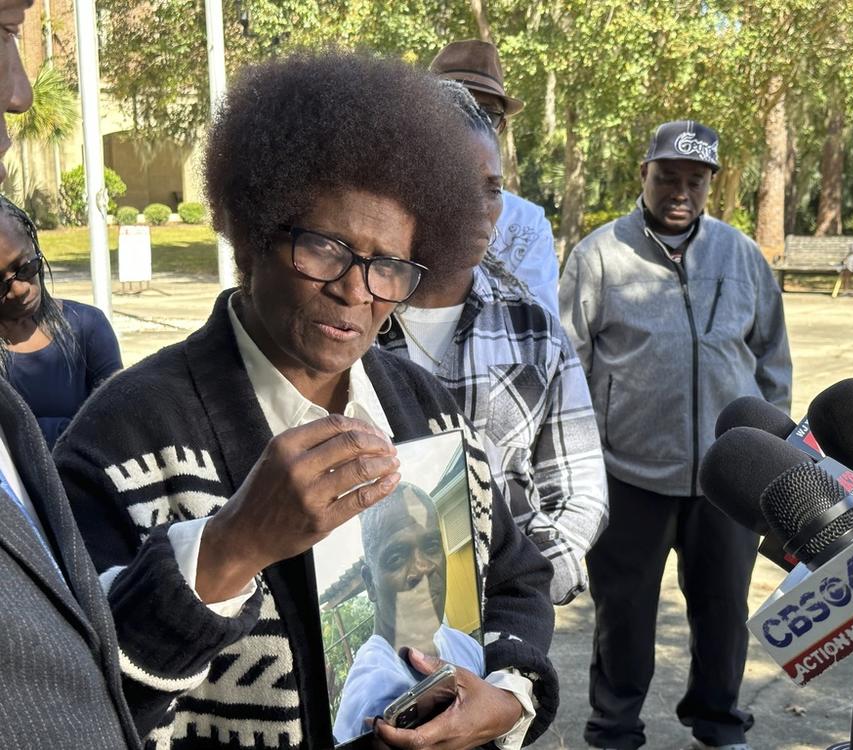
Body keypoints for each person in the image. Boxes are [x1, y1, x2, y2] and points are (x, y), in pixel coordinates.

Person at [54, 51, 558, 750]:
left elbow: (516, 575)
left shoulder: (422, 407)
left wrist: (507, 698)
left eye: (388, 266)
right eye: (326, 249)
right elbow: (70, 699)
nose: (357, 292)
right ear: (254, 233)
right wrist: (229, 548)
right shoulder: (122, 439)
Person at [0, 2, 262, 748]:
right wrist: (224, 552)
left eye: (27, 268)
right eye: (2, 30)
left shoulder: (83, 335)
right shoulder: (134, 436)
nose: (20, 92)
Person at [560, 120, 792, 750]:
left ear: (711, 183)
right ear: (645, 174)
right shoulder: (599, 256)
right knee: (624, 618)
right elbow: (568, 368)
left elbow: (772, 359)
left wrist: (771, 452)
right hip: (629, 475)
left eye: (695, 179)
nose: (680, 191)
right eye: (668, 176)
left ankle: (718, 724)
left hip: (728, 481)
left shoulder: (741, 255)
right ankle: (614, 729)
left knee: (723, 613)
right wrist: (580, 465)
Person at [379, 81, 607, 606]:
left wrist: (526, 591)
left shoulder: (533, 330)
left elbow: (577, 485)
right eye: (457, 184)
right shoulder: (349, 320)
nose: (481, 207)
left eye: (493, 186)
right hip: (385, 620)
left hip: (511, 620)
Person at [332, 482, 484, 740]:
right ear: (370, 583)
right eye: (397, 558)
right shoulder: (374, 688)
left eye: (432, 546)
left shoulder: (464, 645)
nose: (422, 568)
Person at [430, 39, 560, 315]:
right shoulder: (389, 203)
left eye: (486, 113)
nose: (471, 121)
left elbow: (541, 329)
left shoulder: (527, 224)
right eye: (455, 105)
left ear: (501, 125)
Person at [0, 196, 122, 448]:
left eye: (24, 267)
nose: (19, 290)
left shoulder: (87, 327)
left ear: (35, 247)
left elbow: (117, 427)